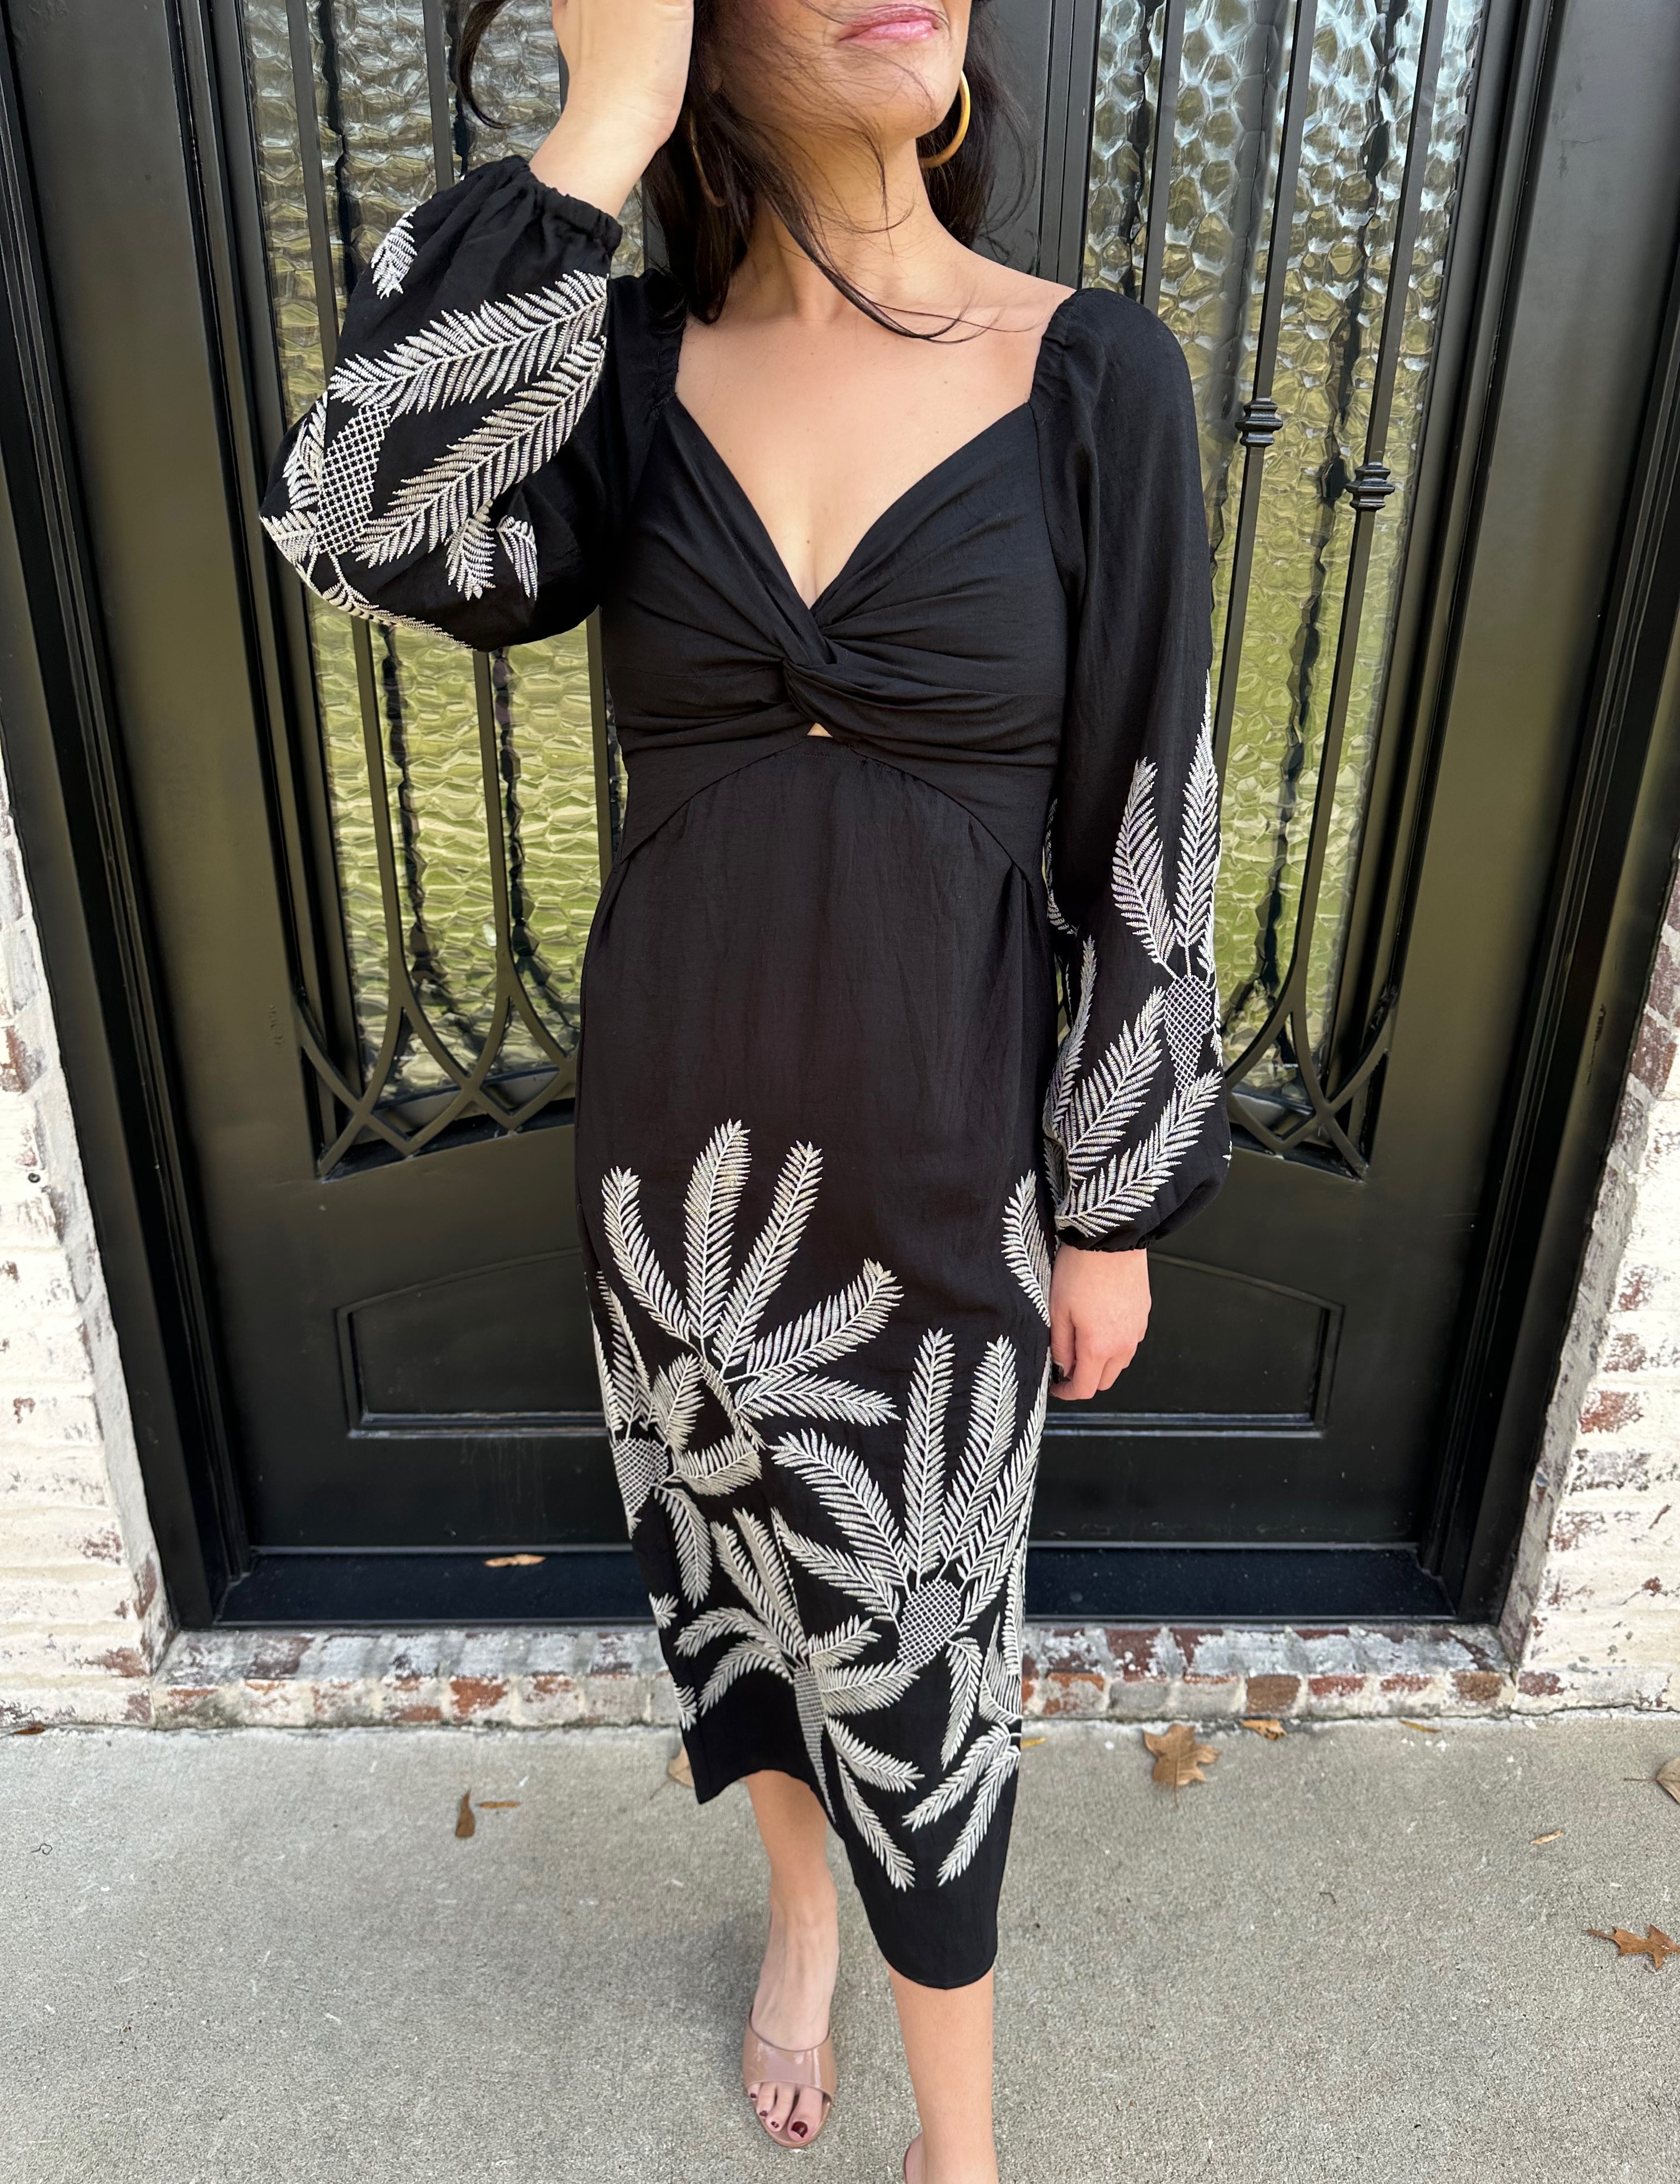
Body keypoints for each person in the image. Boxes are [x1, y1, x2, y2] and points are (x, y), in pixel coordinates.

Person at [260, 1, 1228, 2175]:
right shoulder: (620, 380)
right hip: (675, 1200)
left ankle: (962, 2143)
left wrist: (1111, 1201)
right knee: (743, 1602)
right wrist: (602, 118)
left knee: (931, 1681)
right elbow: (350, 509)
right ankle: (799, 1911)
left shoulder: (1092, 377)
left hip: (941, 1182)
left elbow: (1149, 820)